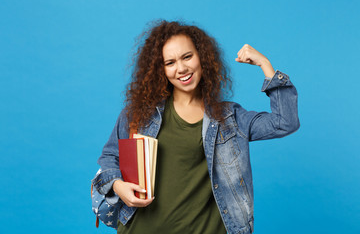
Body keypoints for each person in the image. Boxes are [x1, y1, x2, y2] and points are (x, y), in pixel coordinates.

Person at [92, 20, 300, 234]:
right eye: (170, 62)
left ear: (202, 57)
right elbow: (109, 157)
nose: (181, 68)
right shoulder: (140, 114)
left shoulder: (230, 118)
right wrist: (118, 186)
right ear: (160, 69)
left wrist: (265, 65)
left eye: (187, 57)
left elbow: (285, 122)